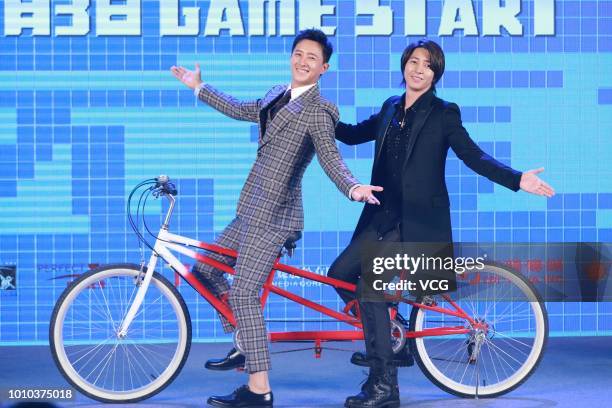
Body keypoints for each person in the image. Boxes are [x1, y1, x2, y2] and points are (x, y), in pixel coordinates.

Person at [328, 39, 555, 408]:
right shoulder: (390, 107)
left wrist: (517, 179)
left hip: (417, 222)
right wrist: (317, 114)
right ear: (404, 67)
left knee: (370, 289)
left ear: (436, 74)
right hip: (381, 215)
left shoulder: (444, 113)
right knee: (339, 275)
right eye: (413, 62)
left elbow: (473, 156)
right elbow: (352, 135)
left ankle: (384, 387)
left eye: (428, 65)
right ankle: (393, 337)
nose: (418, 69)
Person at [171, 29, 382, 408]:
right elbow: (239, 108)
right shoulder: (275, 95)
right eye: (298, 54)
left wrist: (353, 188)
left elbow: (331, 158)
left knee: (244, 294)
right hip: (250, 208)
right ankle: (245, 341)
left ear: (324, 68)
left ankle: (259, 390)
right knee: (205, 270)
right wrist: (199, 87)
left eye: (312, 58)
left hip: (276, 216)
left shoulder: (318, 111)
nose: (303, 61)